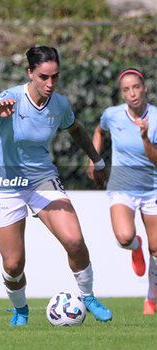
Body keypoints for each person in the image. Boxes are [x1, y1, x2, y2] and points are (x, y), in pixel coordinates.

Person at [0, 46, 112, 326]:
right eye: (43, 77)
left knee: (74, 240)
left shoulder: (59, 104)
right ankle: (21, 309)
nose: (50, 83)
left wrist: (96, 160)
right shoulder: (11, 97)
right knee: (13, 265)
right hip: (6, 183)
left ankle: (87, 296)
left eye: (55, 77)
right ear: (30, 74)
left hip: (41, 179)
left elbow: (76, 130)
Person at [87, 68, 157, 315]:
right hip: (122, 186)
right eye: (126, 90)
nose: (132, 93)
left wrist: (146, 138)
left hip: (152, 189)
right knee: (125, 237)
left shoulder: (156, 118)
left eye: (136, 87)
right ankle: (135, 247)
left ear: (145, 87)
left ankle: (151, 298)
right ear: (122, 93)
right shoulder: (112, 115)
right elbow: (99, 131)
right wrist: (94, 160)